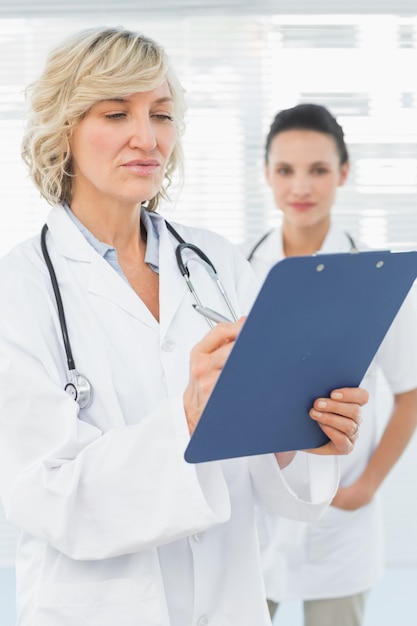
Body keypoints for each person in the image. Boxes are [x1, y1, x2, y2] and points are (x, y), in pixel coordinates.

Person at [0, 32, 367, 626]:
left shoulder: (218, 263)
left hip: (230, 602)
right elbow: (45, 498)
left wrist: (305, 432)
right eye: (116, 112)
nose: (147, 137)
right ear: (62, 128)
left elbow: (269, 479)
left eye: (161, 114)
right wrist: (189, 418)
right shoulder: (17, 290)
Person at [246, 103, 417, 626]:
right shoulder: (235, 271)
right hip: (256, 515)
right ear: (267, 175)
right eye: (286, 170)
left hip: (341, 519)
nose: (301, 186)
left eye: (318, 169)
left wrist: (366, 487)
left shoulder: (378, 277)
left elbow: (410, 390)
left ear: (343, 173)